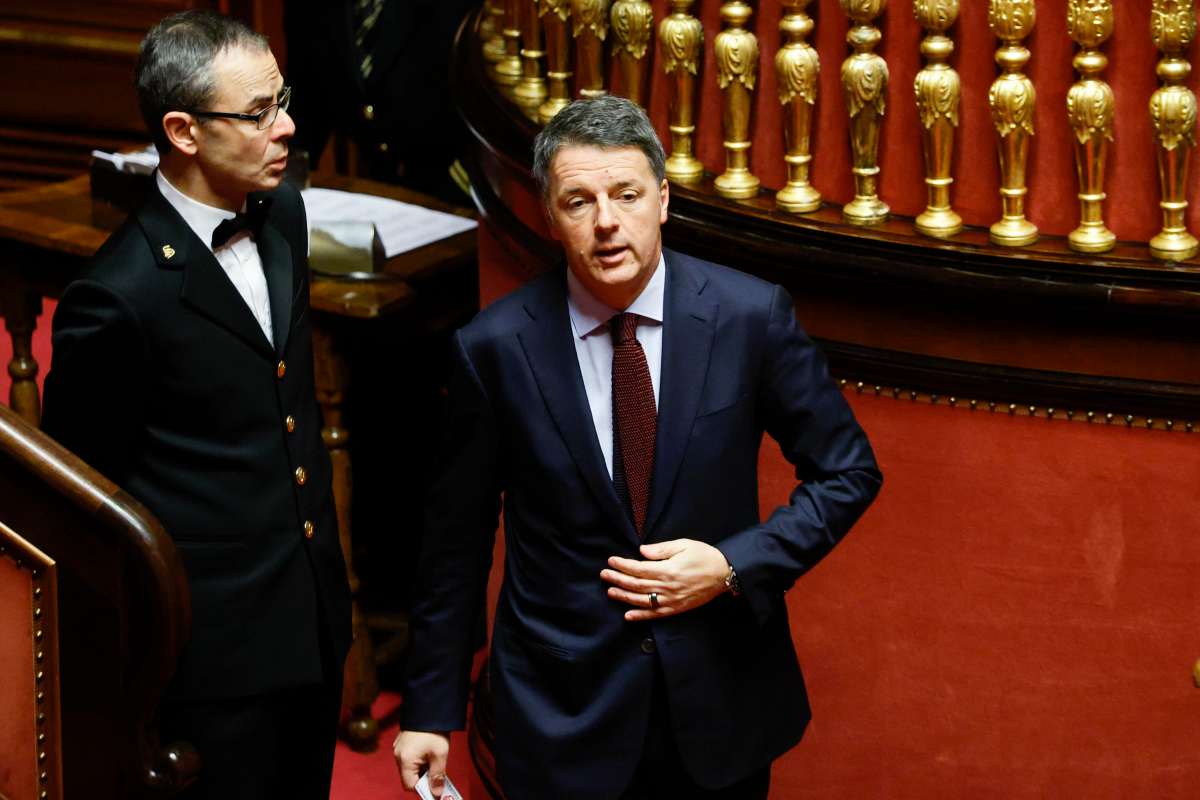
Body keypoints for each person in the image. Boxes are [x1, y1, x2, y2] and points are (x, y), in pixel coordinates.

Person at [393, 95, 883, 799]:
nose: (606, 222)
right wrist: (430, 710)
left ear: (663, 200)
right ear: (550, 216)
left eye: (626, 194)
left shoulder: (750, 317)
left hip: (718, 698)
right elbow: (455, 541)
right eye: (579, 201)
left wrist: (733, 566)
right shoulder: (494, 349)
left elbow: (848, 471)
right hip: (561, 709)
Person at [41, 11, 350, 798]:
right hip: (215, 659)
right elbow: (84, 505)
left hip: (313, 615)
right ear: (183, 131)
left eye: (283, 101)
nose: (286, 127)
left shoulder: (282, 212)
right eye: (259, 113)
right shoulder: (117, 297)